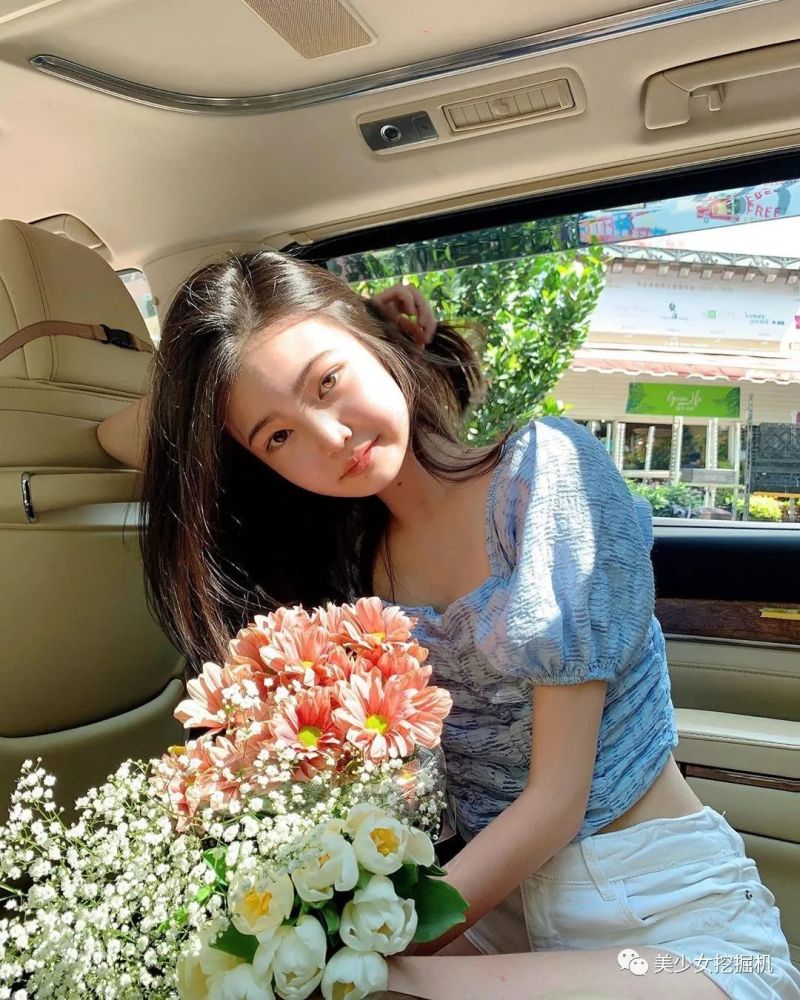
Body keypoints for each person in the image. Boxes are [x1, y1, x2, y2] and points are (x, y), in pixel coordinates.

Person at [97, 251, 799, 1000]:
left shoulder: (547, 473)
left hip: (668, 922)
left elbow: (555, 803)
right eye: (277, 437)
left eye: (327, 381)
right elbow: (127, 437)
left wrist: (358, 951)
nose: (328, 436)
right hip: (493, 915)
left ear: (378, 342)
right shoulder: (350, 572)